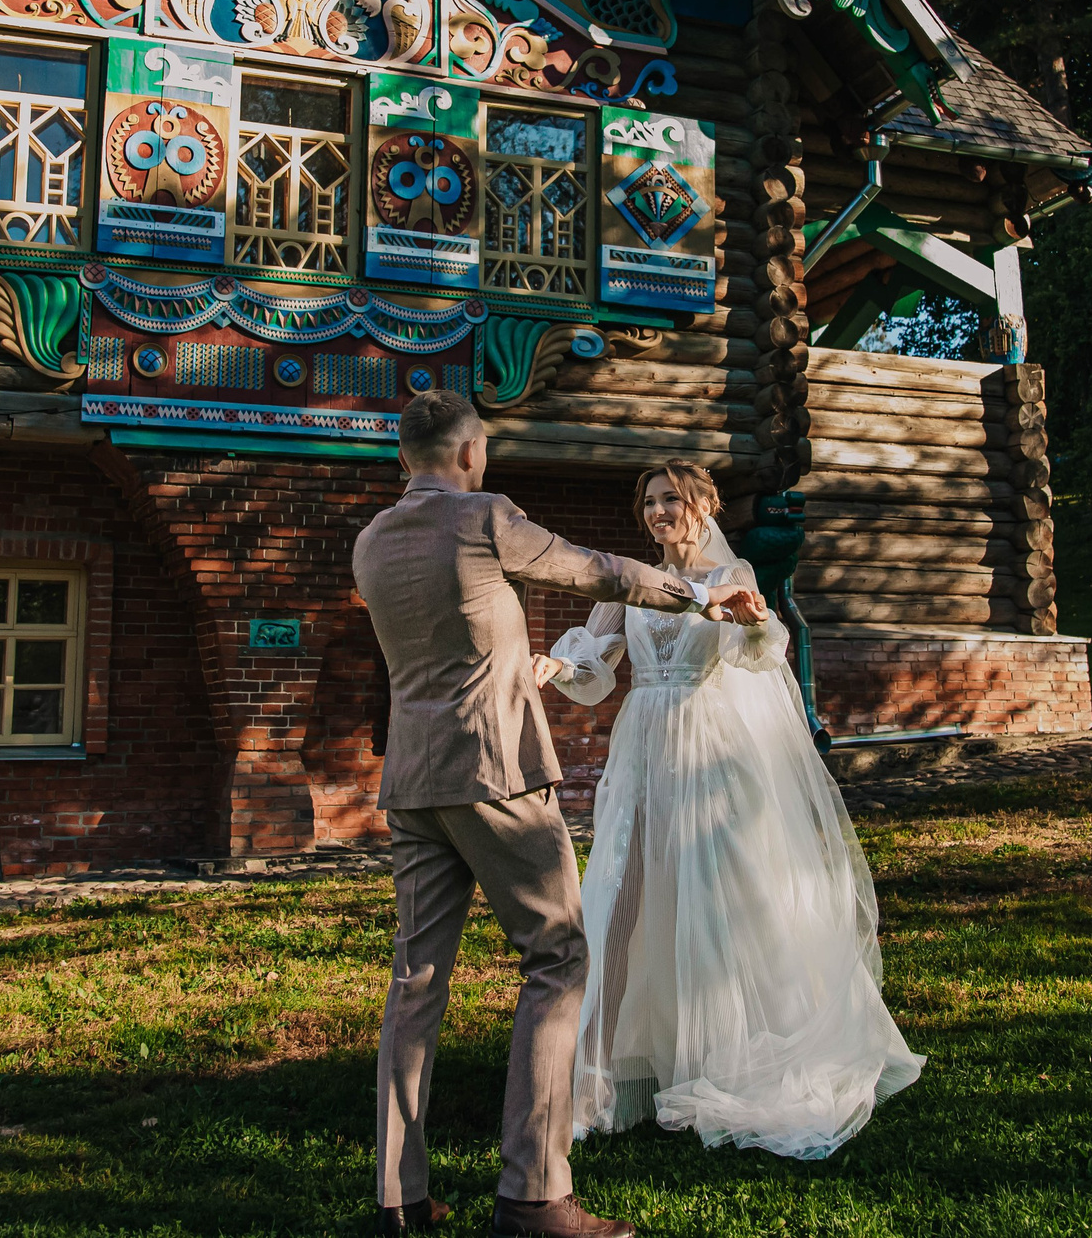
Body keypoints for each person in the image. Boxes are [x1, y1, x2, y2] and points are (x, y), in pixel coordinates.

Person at [355, 392, 769, 1238]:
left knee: (415, 980)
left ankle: (399, 1197)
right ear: (469, 452)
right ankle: (535, 1194)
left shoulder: (372, 540)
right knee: (558, 957)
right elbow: (596, 571)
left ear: (404, 457)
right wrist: (697, 596)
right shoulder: (485, 516)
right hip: (497, 775)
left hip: (412, 783)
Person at [545, 460, 924, 1159]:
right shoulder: (633, 580)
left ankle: (729, 1060)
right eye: (650, 501)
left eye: (672, 499)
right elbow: (596, 666)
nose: (659, 512)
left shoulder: (732, 574)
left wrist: (751, 625)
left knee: (721, 899)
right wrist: (560, 666)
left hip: (708, 748)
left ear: (703, 505)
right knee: (620, 898)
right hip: (643, 747)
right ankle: (591, 1082)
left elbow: (759, 654)